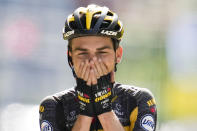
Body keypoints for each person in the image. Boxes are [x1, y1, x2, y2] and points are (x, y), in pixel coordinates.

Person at [39, 4, 157, 131]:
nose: (92, 61)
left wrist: (104, 108)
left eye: (102, 52)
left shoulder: (139, 100)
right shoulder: (54, 105)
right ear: (70, 57)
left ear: (118, 55)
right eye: (83, 53)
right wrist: (85, 110)